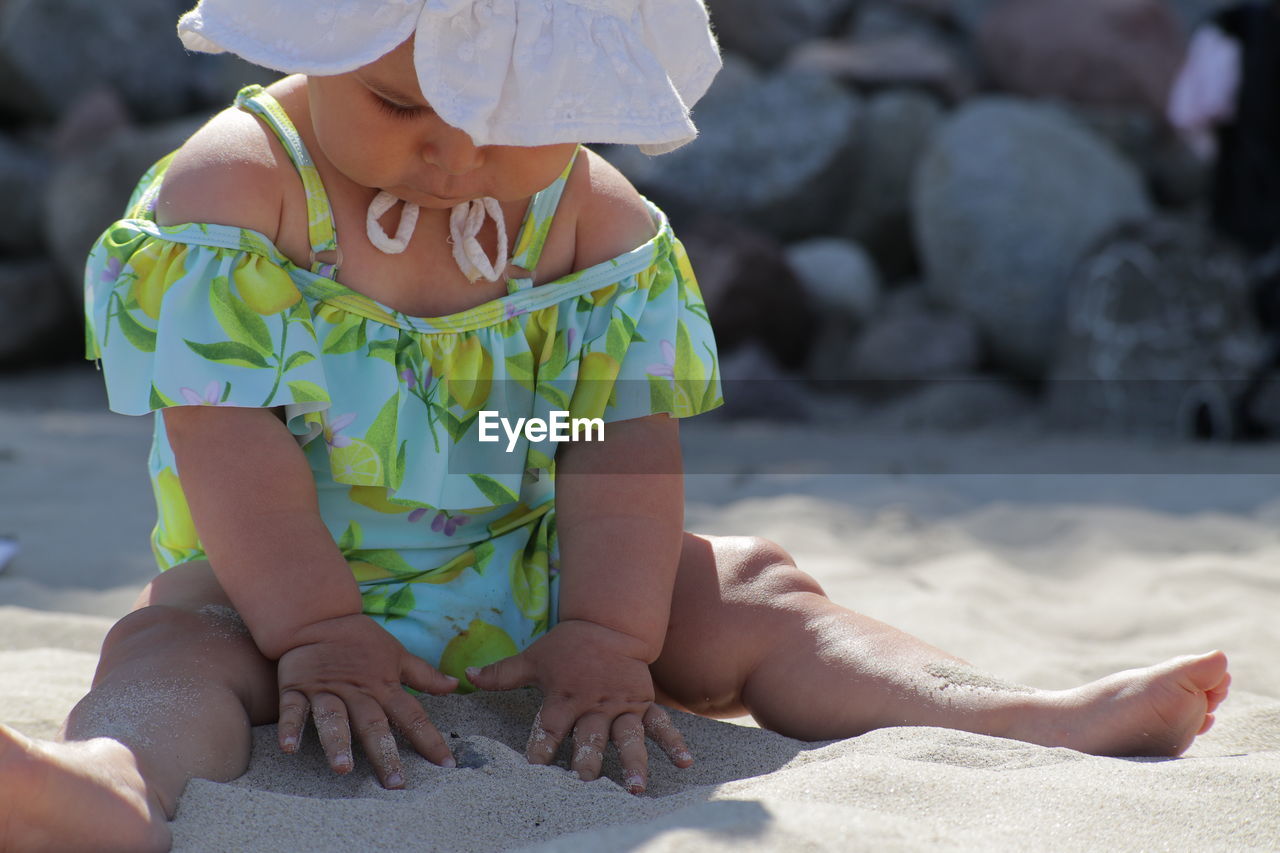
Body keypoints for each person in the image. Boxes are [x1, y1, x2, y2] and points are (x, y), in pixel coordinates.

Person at [1, 2, 1231, 850]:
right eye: (393, 102)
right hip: (269, 585)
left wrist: (602, 626)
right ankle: (108, 791)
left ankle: (999, 713)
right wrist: (319, 628)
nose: (450, 155)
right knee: (165, 659)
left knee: (747, 587)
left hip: (534, 561)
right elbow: (232, 436)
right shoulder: (241, 191)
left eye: (509, 121)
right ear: (316, 41)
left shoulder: (597, 231)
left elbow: (614, 447)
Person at [1168, 0, 1280, 433]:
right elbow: (1193, 112)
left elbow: (1191, 116)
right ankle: (1235, 408)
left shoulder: (1230, 29)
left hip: (1242, 194)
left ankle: (1238, 407)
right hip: (1250, 196)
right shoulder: (1235, 31)